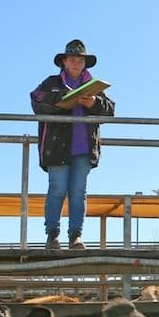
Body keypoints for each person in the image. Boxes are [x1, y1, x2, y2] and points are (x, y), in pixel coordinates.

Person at [30, 39, 115, 250]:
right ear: (64, 62)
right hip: (57, 146)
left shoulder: (95, 86)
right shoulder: (51, 83)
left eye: (80, 60)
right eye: (72, 59)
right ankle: (52, 235)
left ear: (85, 63)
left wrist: (93, 103)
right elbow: (37, 101)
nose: (76, 63)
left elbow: (110, 110)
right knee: (57, 189)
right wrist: (64, 99)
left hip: (84, 148)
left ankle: (76, 236)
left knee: (79, 192)